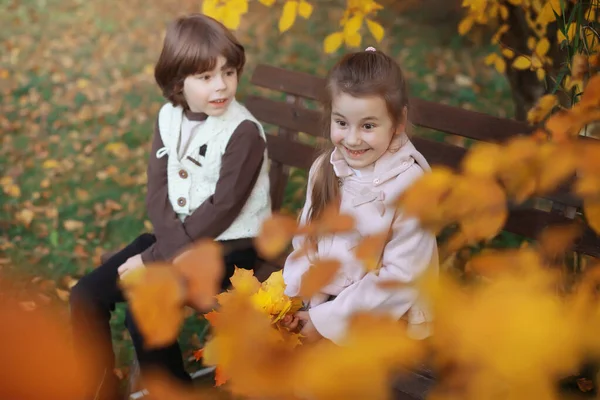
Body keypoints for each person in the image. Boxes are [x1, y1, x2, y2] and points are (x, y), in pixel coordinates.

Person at [69, 13, 271, 400]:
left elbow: (222, 208)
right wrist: (159, 251)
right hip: (175, 237)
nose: (222, 86)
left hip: (231, 247)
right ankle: (97, 388)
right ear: (178, 81)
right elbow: (157, 190)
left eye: (229, 72)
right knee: (85, 295)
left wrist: (155, 257)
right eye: (206, 77)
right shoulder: (169, 117)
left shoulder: (243, 133)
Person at [281, 47, 438, 345]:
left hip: (386, 316)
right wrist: (297, 298)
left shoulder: (412, 188)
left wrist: (325, 322)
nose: (352, 139)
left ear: (398, 121)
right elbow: (307, 241)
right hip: (322, 305)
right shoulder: (324, 169)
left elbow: (401, 279)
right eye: (341, 123)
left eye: (368, 125)